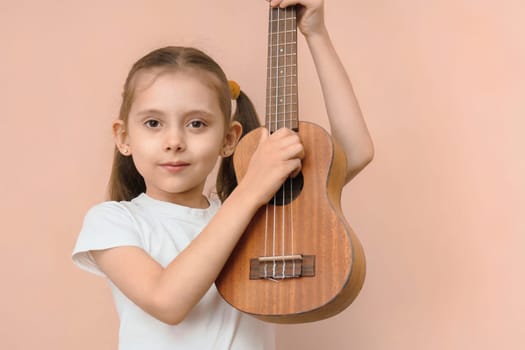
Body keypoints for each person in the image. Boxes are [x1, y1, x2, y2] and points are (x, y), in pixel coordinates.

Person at [72, 0, 374, 349]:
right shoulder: (111, 221)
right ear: (124, 138)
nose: (174, 142)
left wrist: (316, 33)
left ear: (229, 139)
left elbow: (355, 152)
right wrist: (253, 189)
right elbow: (168, 302)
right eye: (153, 123)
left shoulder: (261, 220)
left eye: (196, 124)